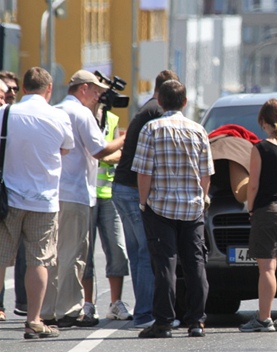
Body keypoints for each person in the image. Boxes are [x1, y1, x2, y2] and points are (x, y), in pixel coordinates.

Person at [41, 70, 125, 328]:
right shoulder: (81, 113)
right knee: (73, 253)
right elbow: (100, 150)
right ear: (84, 88)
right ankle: (69, 309)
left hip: (54, 192)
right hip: (77, 192)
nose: (98, 97)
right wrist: (125, 138)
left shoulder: (54, 110)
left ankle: (50, 307)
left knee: (53, 254)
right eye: (96, 91)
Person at [132, 80, 212, 338]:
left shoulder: (151, 129)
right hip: (192, 208)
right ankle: (197, 322)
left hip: (160, 207)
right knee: (195, 264)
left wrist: (144, 203)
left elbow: (144, 173)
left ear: (161, 102)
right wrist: (202, 198)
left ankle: (164, 322)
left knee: (165, 265)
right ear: (185, 102)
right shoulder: (198, 130)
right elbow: (205, 175)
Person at [0, 66, 74, 338]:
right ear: (49, 89)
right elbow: (66, 148)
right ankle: (33, 320)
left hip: (7, 199)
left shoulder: (5, 113)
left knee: (0, 258)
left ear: (23, 88)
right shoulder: (58, 116)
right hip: (44, 201)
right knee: (38, 261)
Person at [112, 69, 180, 328]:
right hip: (133, 189)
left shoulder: (147, 108)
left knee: (138, 252)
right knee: (146, 253)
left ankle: (144, 311)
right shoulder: (157, 112)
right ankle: (145, 314)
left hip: (122, 187)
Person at [239, 98, 277, 333]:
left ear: (263, 121)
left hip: (269, 210)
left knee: (267, 267)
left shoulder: (261, 148)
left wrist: (251, 209)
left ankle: (264, 319)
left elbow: (253, 185)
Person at [81, 103, 132, 323]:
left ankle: (115, 303)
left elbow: (117, 154)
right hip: (85, 192)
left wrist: (104, 155)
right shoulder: (82, 117)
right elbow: (93, 152)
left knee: (117, 248)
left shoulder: (111, 119)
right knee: (85, 251)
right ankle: (88, 304)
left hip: (108, 192)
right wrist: (107, 154)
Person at [0, 70, 29, 319]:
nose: (10, 94)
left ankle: (22, 302)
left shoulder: (18, 117)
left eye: (13, 90)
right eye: (6, 89)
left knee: (18, 250)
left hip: (12, 190)